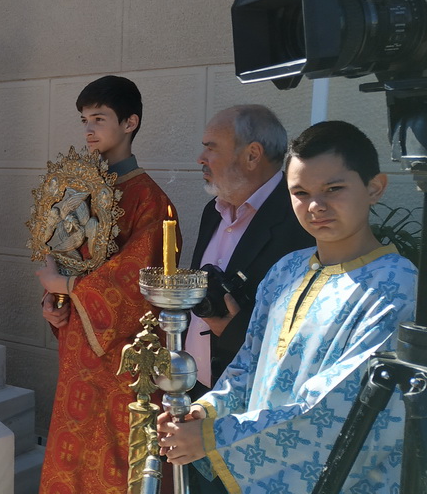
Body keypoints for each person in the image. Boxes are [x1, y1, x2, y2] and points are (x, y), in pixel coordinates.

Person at [157, 121, 417, 493]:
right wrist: (206, 410)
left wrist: (213, 438)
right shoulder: (288, 269)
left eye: (334, 189)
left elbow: (341, 407)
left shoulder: (397, 286)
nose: (316, 206)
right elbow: (248, 364)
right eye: (300, 192)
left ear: (374, 187)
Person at [33, 75, 180, 493]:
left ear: (130, 122)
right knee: (72, 450)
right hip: (78, 344)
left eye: (99, 118)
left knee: (116, 455)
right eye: (84, 120)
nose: (89, 129)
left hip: (124, 358)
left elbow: (140, 279)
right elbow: (65, 254)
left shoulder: (152, 201)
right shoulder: (77, 192)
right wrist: (54, 299)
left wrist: (69, 285)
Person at [186, 105, 314, 397]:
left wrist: (235, 331)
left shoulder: (300, 221)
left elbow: (303, 330)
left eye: (211, 148)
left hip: (247, 397)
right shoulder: (213, 212)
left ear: (252, 155)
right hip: (194, 387)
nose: (201, 159)